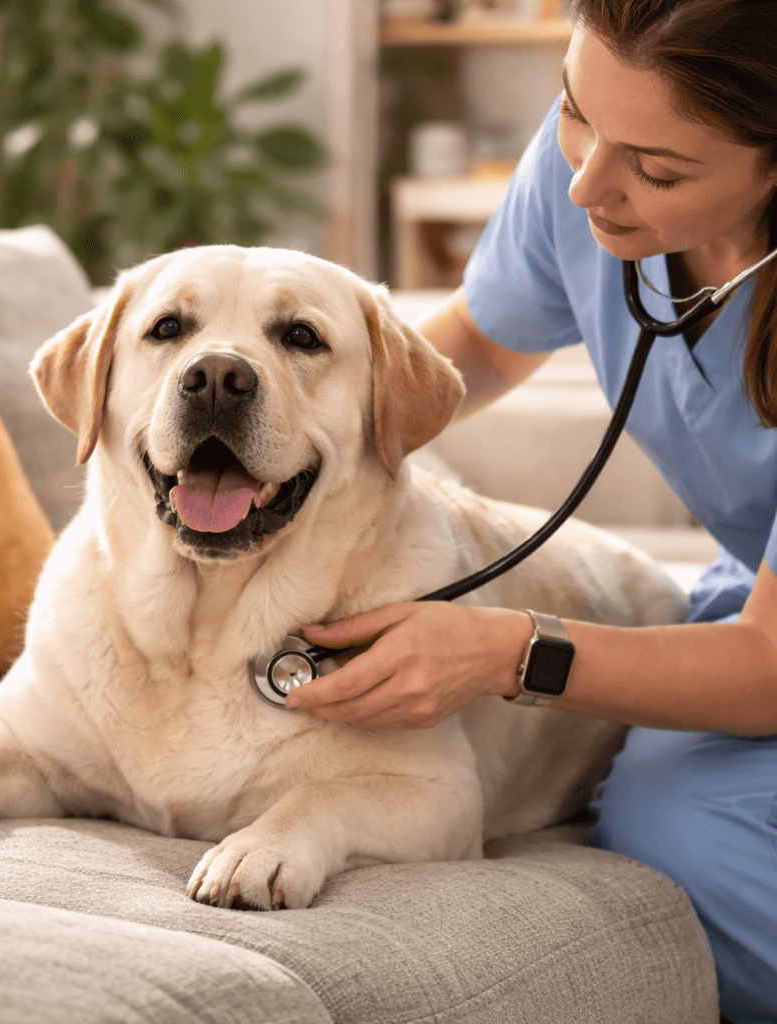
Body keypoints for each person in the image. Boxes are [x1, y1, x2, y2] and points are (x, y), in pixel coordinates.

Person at [284, 1, 777, 1020]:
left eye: (659, 170)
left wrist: (506, 651)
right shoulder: (591, 169)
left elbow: (769, 671)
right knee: (655, 815)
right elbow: (484, 343)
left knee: (701, 846)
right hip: (753, 592)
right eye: (572, 109)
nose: (586, 181)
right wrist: (300, 446)